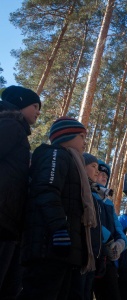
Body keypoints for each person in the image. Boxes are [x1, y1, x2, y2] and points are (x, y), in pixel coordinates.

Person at [19, 117, 97, 300]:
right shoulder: (55, 154)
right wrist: (59, 229)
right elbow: (47, 191)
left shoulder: (72, 162)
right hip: (48, 246)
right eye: (81, 136)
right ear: (66, 136)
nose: (85, 141)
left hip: (65, 250)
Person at [0, 85, 41, 299]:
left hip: (9, 225)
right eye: (35, 105)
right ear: (21, 102)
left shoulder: (15, 128)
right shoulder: (10, 124)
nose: (38, 111)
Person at [68, 152, 102, 300]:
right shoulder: (79, 190)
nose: (97, 171)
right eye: (93, 166)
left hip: (91, 259)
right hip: (78, 257)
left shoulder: (92, 195)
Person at [92, 159, 127, 300]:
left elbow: (118, 227)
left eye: (106, 176)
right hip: (91, 255)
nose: (104, 178)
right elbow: (92, 222)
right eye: (100, 174)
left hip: (108, 261)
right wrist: (108, 240)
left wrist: (120, 244)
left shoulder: (109, 202)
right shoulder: (87, 194)